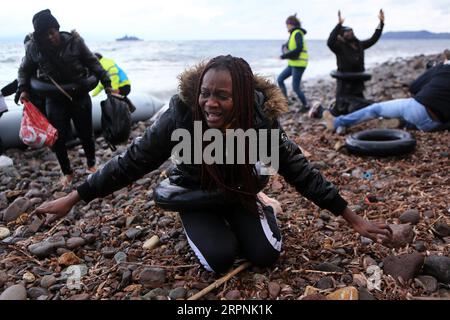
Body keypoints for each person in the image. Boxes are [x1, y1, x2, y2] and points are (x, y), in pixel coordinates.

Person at [32, 55, 392, 274]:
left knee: (265, 257)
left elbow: (299, 171)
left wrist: (353, 218)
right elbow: (132, 161)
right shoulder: (181, 115)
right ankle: (211, 221)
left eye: (222, 95)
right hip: (195, 194)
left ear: (243, 98)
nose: (210, 103)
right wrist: (76, 197)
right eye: (206, 93)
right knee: (217, 260)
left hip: (239, 192)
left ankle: (265, 209)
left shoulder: (260, 122)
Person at [17, 9, 113, 187]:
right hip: (54, 98)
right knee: (57, 138)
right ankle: (67, 172)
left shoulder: (75, 42)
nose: (50, 38)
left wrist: (107, 84)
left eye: (52, 33)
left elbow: (93, 63)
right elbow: (24, 70)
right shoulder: (34, 48)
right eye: (45, 35)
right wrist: (23, 88)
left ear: (57, 28)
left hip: (79, 94)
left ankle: (91, 164)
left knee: (86, 132)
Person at [324, 50, 450, 133]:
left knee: (375, 109)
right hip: (434, 125)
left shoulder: (443, 68)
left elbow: (414, 87)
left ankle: (337, 122)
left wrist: (434, 73)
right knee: (410, 116)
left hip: (418, 110)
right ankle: (400, 122)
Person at [327, 9, 385, 115]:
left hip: (358, 81)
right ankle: (330, 115)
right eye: (347, 31)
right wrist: (338, 25)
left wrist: (381, 24)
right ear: (341, 35)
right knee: (341, 107)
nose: (350, 33)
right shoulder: (339, 47)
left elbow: (374, 38)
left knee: (359, 104)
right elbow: (329, 42)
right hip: (345, 83)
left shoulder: (359, 45)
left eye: (351, 31)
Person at [277, 14, 309, 112]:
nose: (286, 26)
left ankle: (306, 105)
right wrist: (284, 50)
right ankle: (286, 102)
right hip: (292, 64)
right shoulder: (292, 34)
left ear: (291, 24)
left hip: (299, 64)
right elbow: (285, 46)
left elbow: (298, 49)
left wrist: (283, 56)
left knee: (295, 88)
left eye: (287, 24)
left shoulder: (297, 33)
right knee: (280, 79)